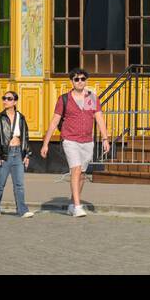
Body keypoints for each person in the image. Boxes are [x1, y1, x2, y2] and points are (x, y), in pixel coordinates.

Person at [40, 68, 110, 216]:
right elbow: (54, 122)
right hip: (70, 139)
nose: (80, 82)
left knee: (82, 174)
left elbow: (99, 118)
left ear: (86, 81)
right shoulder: (64, 99)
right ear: (72, 81)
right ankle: (78, 206)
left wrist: (105, 138)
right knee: (76, 169)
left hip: (87, 140)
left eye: (83, 79)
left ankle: (72, 202)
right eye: (77, 79)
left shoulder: (92, 98)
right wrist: (45, 143)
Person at [0, 90, 34, 217]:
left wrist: (27, 154)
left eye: (8, 99)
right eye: (4, 98)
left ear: (15, 101)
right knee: (0, 183)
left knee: (19, 184)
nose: (5, 101)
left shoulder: (21, 117)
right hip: (5, 154)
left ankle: (22, 210)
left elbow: (25, 136)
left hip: (18, 153)